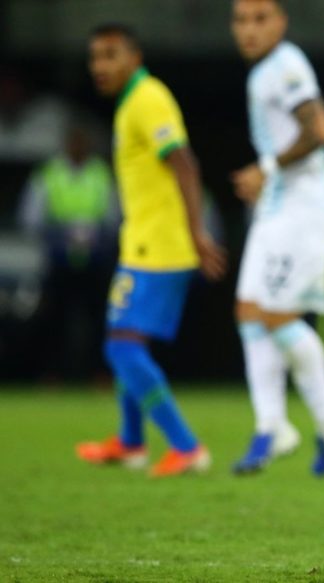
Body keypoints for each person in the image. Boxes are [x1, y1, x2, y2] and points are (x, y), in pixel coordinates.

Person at [76, 24, 227, 477]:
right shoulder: (131, 103)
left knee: (122, 348)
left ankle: (186, 446)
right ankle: (131, 442)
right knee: (126, 340)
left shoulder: (148, 99)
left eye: (111, 55)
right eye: (95, 57)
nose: (100, 66)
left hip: (160, 245)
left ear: (135, 58)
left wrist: (197, 232)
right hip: (143, 241)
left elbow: (185, 163)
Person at [230, 0, 324, 477]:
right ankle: (273, 426)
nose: (249, 29)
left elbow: (320, 130)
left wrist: (265, 168)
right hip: (277, 208)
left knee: (277, 315)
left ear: (281, 22)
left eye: (260, 18)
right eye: (241, 20)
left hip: (306, 210)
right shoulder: (263, 71)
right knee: (250, 310)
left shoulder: (286, 66)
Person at [19, 124, 117, 381]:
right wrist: (59, 234)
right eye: (74, 141)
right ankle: (52, 374)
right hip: (59, 257)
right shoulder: (48, 174)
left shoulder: (100, 174)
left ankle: (100, 373)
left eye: (82, 142)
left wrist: (96, 237)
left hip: (95, 258)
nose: (78, 147)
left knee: (99, 317)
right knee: (54, 317)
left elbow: (114, 217)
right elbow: (30, 218)